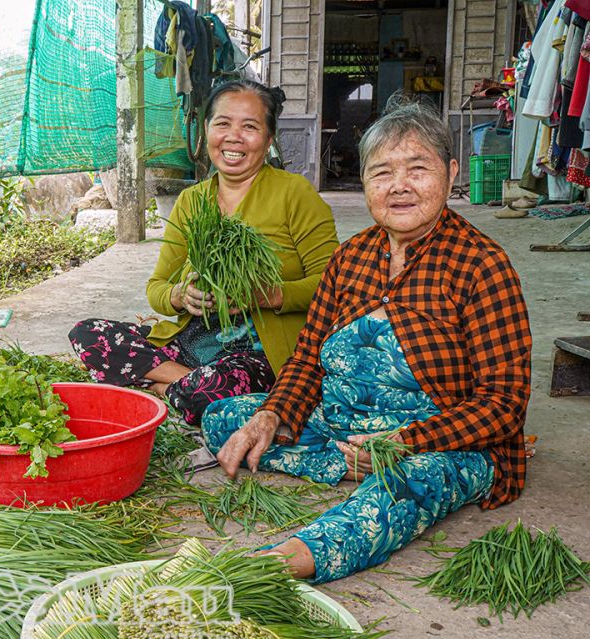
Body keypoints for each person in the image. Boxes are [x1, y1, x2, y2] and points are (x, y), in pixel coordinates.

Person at [203, 97, 532, 583]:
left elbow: (504, 405)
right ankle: (353, 464)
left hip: (431, 444)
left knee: (411, 484)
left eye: (417, 169)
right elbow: (308, 359)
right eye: (381, 174)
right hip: (341, 426)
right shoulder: (351, 257)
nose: (398, 186)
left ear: (451, 171)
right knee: (226, 418)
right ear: (365, 185)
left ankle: (288, 559)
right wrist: (271, 415)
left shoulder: (481, 265)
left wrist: (402, 443)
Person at [69, 80, 339, 425]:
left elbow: (335, 284)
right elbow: (157, 288)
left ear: (269, 139)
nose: (234, 137)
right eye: (222, 123)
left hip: (258, 355)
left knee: (211, 390)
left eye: (250, 126)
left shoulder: (294, 193)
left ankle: (156, 386)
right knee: (88, 334)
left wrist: (267, 295)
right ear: (206, 130)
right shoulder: (192, 201)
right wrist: (181, 296)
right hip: (192, 343)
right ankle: (180, 385)